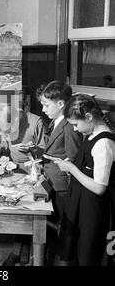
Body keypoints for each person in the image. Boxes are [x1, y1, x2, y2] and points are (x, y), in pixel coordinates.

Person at [53, 94, 115, 266]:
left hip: (95, 210)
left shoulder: (104, 143)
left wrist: (72, 169)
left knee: (90, 255)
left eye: (76, 124)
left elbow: (100, 187)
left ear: (88, 117)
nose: (75, 129)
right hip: (85, 205)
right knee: (82, 253)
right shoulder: (91, 134)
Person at [36, 81, 83, 226]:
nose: (43, 110)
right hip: (52, 181)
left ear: (61, 104)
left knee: (61, 226)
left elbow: (75, 159)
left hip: (62, 187)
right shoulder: (56, 121)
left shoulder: (69, 127)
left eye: (47, 105)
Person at [0, 103, 48, 172]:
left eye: (8, 131)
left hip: (35, 169)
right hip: (14, 167)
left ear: (17, 120)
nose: (6, 134)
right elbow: (5, 143)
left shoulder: (37, 123)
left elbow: (47, 150)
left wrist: (31, 149)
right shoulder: (7, 121)